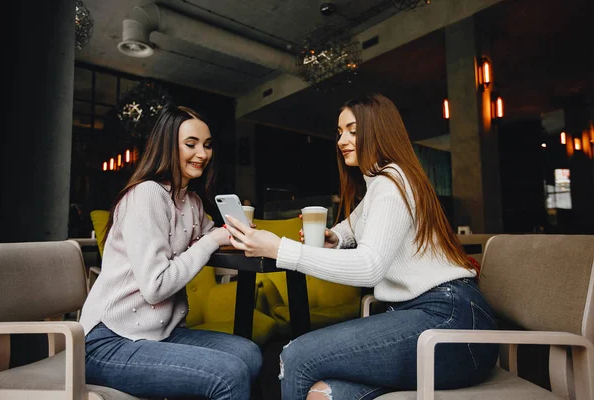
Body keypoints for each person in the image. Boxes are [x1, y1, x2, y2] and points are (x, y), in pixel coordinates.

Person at [224, 93, 498, 400]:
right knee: (324, 394)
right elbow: (351, 228)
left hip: (451, 323)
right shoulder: (380, 185)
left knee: (296, 356)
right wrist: (335, 239)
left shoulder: (392, 182)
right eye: (340, 132)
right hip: (428, 318)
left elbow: (370, 267)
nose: (342, 140)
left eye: (353, 130)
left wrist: (280, 249)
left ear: (379, 130)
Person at [79, 104, 262, 400]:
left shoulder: (192, 202)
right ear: (167, 145)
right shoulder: (147, 194)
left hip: (161, 333)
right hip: (107, 340)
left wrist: (241, 232)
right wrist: (213, 239)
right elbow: (156, 287)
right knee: (229, 374)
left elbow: (211, 238)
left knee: (249, 354)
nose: (202, 154)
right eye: (191, 144)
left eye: (207, 145)